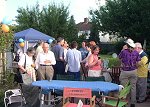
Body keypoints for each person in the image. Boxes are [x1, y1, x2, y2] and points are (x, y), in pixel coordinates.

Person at [119, 39, 141, 107]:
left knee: (124, 87)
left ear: (127, 45)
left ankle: (123, 102)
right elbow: (139, 63)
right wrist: (135, 66)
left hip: (125, 71)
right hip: (133, 71)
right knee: (133, 87)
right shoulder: (136, 52)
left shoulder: (123, 52)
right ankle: (133, 103)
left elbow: (119, 58)